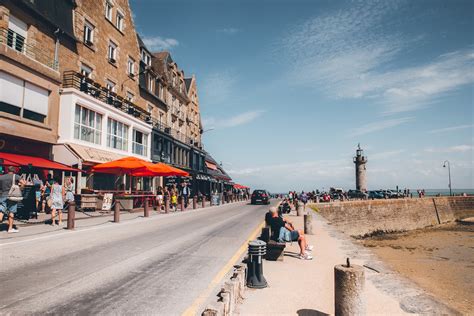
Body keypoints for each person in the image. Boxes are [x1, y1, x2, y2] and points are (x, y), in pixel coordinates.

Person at [0, 166, 25, 233]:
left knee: (1, 210)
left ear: (7, 170)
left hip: (3, 195)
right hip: (12, 196)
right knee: (11, 211)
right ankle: (10, 228)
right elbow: (23, 183)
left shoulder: (1, 177)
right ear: (14, 171)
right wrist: (20, 188)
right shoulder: (16, 176)